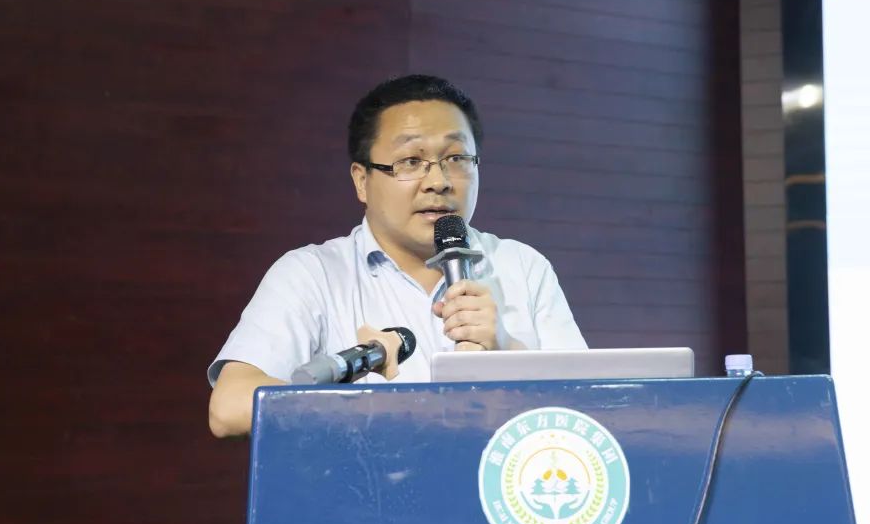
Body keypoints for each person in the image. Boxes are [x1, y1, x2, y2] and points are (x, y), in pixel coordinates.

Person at [207, 74, 586, 437]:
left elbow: (593, 405)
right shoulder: (311, 274)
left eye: (456, 158)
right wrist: (388, 410)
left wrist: (507, 351)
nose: (438, 181)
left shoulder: (522, 267)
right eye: (411, 162)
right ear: (362, 181)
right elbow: (230, 408)